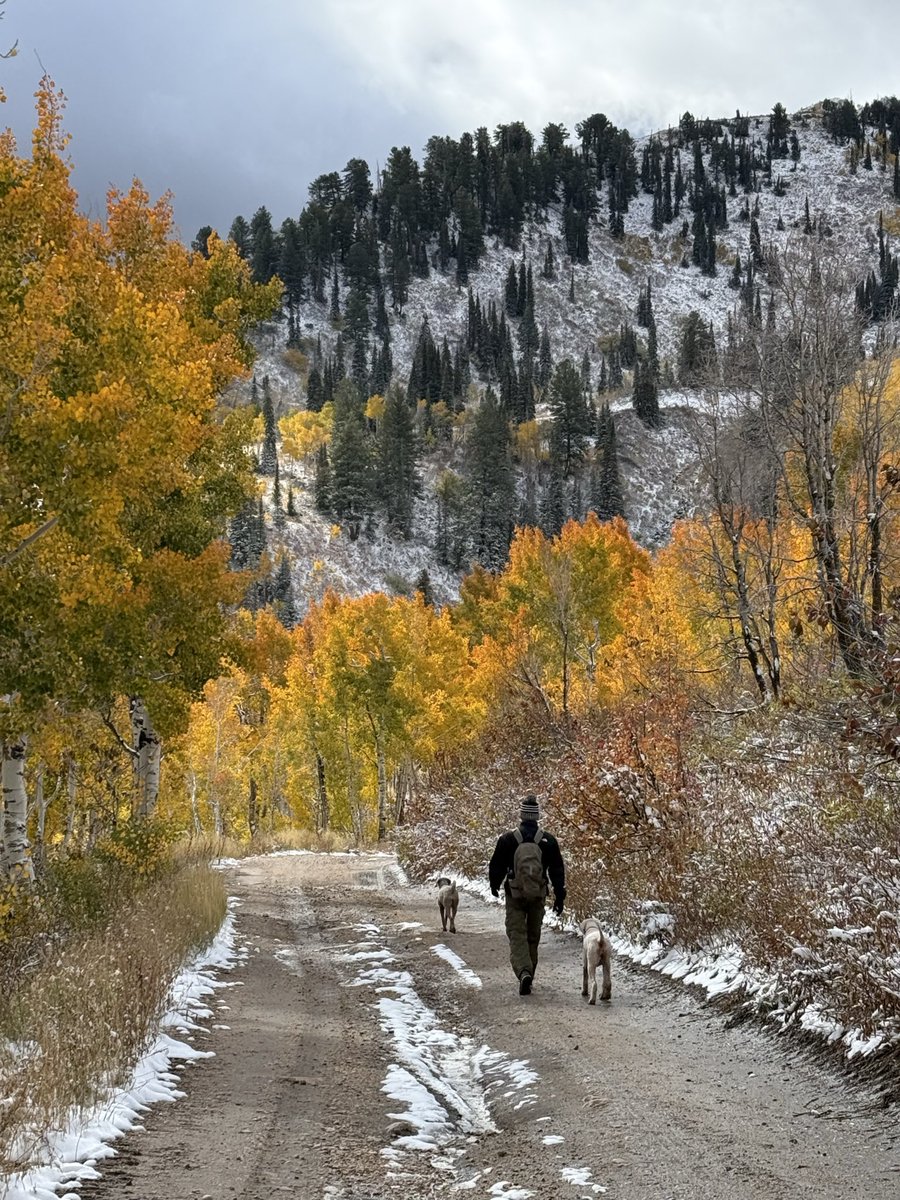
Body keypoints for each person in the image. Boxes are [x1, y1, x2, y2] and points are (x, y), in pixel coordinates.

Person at [488, 794, 566, 995]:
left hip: (514, 894)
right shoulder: (548, 841)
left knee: (516, 934)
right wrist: (559, 896)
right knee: (533, 936)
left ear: (521, 815)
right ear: (537, 816)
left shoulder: (508, 839)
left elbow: (496, 865)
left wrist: (494, 885)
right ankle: (529, 973)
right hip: (538, 894)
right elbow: (557, 870)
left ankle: (524, 971)